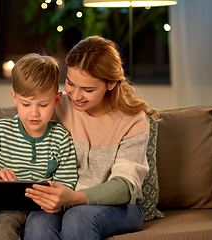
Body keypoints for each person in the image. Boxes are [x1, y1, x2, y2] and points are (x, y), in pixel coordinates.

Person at [23, 36, 158, 240]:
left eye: (88, 89)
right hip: (62, 201)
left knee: (78, 217)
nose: (75, 95)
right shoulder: (56, 107)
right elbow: (11, 136)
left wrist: (75, 198)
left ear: (111, 84)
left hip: (120, 207)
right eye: (70, 83)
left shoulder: (133, 119)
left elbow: (124, 186)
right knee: (38, 222)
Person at [0, 53, 78, 240]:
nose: (34, 113)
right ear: (14, 97)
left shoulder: (61, 138)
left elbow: (67, 185)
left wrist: (57, 199)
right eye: (26, 104)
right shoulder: (0, 130)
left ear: (57, 99)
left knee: (2, 232)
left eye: (43, 104)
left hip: (21, 206)